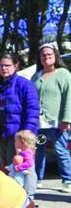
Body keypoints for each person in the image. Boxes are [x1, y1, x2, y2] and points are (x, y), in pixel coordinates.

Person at [0, 53, 40, 169]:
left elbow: (33, 111)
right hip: (0, 134)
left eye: (7, 65)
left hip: (18, 136)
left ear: (16, 65)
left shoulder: (25, 85)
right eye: (1, 66)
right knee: (6, 168)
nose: (4, 69)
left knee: (18, 167)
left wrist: (27, 133)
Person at [31, 43, 71, 192]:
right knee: (39, 150)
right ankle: (38, 179)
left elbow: (69, 98)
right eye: (43, 55)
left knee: (61, 150)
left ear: (55, 56)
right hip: (40, 125)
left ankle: (68, 180)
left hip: (56, 124)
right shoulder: (36, 76)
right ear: (40, 58)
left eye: (49, 55)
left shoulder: (63, 74)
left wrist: (66, 119)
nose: (46, 57)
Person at [7, 129, 37, 198]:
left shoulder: (27, 153)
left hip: (28, 179)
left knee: (28, 194)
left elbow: (29, 163)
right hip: (26, 178)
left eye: (16, 140)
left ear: (23, 142)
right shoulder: (24, 152)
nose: (14, 142)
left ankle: (28, 205)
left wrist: (19, 167)